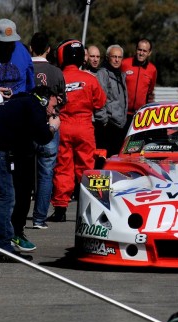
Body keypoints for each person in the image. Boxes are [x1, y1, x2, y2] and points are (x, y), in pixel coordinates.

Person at [0, 86, 61, 261]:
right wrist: (53, 127)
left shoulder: (19, 103)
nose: (54, 112)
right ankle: (3, 247)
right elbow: (42, 137)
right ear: (45, 99)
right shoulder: (34, 105)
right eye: (54, 107)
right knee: (4, 196)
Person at [47, 39, 106, 222]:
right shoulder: (90, 79)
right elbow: (100, 102)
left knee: (63, 168)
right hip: (85, 127)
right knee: (87, 168)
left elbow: (51, 101)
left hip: (63, 125)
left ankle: (60, 210)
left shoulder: (58, 77)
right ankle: (90, 208)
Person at [29, 32, 66, 230]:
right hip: (49, 123)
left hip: (26, 125)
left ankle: (16, 217)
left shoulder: (25, 67)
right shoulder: (56, 72)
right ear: (49, 50)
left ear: (30, 48)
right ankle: (39, 219)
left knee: (23, 174)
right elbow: (63, 99)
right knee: (46, 173)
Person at [96, 44, 128, 157]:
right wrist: (104, 121)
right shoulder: (103, 74)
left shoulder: (121, 74)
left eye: (119, 57)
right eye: (114, 56)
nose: (116, 60)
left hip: (120, 125)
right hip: (108, 125)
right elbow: (99, 100)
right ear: (107, 57)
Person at [121, 38, 157, 114]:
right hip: (122, 112)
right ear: (136, 50)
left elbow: (150, 91)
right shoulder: (124, 64)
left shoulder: (152, 69)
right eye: (139, 50)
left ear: (149, 53)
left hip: (140, 114)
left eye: (144, 51)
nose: (141, 53)